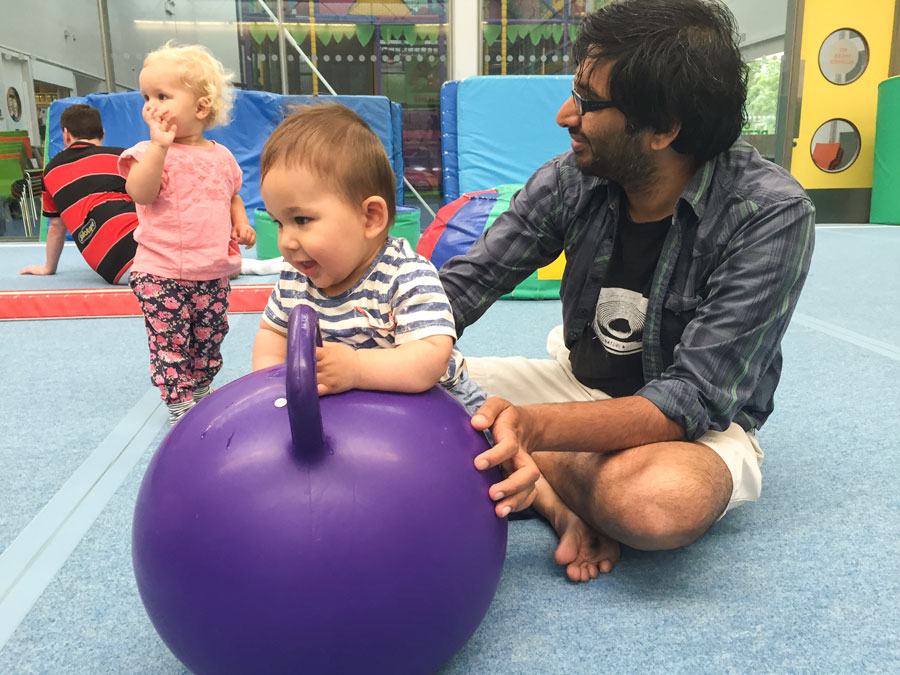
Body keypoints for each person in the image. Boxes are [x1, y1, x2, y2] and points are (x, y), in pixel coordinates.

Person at [439, 0, 816, 581]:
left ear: (663, 128)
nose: (567, 115)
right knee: (414, 376)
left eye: (588, 103)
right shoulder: (571, 177)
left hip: (695, 430)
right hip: (575, 384)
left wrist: (535, 428)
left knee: (658, 507)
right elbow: (465, 286)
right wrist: (385, 332)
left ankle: (535, 461)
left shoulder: (769, 213)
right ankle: (550, 474)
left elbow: (686, 401)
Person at [251, 103, 534, 519]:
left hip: (440, 408)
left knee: (499, 463)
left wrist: (356, 369)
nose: (286, 242)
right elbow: (273, 335)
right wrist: (276, 388)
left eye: (302, 219)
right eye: (278, 222)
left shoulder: (406, 275)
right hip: (347, 409)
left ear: (370, 217)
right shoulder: (297, 278)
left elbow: (428, 360)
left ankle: (555, 503)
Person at [119, 43, 256, 426]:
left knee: (210, 337)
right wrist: (159, 149)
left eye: (163, 96)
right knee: (171, 341)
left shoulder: (223, 157)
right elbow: (139, 193)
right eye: (146, 96)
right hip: (160, 270)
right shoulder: (147, 151)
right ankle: (180, 404)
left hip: (211, 269)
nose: (151, 105)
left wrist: (240, 222)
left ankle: (200, 388)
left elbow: (231, 196)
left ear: (201, 107)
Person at [18, 104, 138, 284]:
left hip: (115, 270)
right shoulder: (122, 157)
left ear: (66, 135)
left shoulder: (50, 172)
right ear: (103, 133)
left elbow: (56, 227)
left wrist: (48, 268)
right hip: (153, 256)